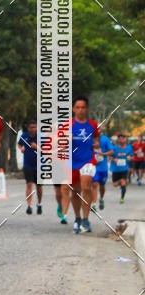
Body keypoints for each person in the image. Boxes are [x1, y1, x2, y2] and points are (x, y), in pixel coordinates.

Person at [66, 96, 100, 234]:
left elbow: (96, 138)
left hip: (88, 160)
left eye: (83, 107)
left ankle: (86, 219)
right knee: (75, 192)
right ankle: (77, 218)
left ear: (87, 109)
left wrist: (96, 144)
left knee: (86, 187)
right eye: (78, 107)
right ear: (74, 109)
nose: (80, 110)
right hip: (72, 162)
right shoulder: (67, 125)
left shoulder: (92, 125)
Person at [17, 119, 42, 215]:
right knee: (29, 184)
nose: (33, 129)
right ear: (28, 128)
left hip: (39, 164)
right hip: (27, 164)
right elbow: (19, 144)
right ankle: (29, 205)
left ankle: (39, 203)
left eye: (35, 127)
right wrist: (21, 148)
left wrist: (37, 147)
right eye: (31, 127)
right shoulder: (24, 136)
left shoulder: (40, 137)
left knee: (39, 186)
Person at [91, 132, 114, 211]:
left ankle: (101, 198)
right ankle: (93, 204)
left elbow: (112, 151)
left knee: (102, 186)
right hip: (93, 167)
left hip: (103, 168)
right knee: (94, 184)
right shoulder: (89, 138)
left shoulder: (105, 139)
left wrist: (103, 154)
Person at [110, 133, 134, 204]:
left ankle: (122, 198)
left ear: (125, 139)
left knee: (123, 183)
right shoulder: (114, 148)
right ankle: (122, 182)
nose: (121, 140)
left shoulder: (129, 148)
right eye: (119, 138)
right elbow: (110, 156)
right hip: (116, 169)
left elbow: (132, 156)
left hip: (124, 168)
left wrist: (130, 158)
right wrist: (114, 159)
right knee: (115, 185)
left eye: (122, 138)